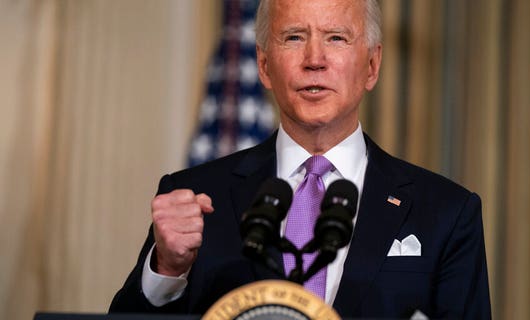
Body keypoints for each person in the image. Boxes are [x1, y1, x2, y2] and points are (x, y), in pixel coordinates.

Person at [110, 0, 491, 318]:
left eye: (336, 38)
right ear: (263, 65)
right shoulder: (195, 195)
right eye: (294, 37)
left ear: (372, 66)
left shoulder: (447, 213)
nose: (314, 60)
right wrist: (166, 270)